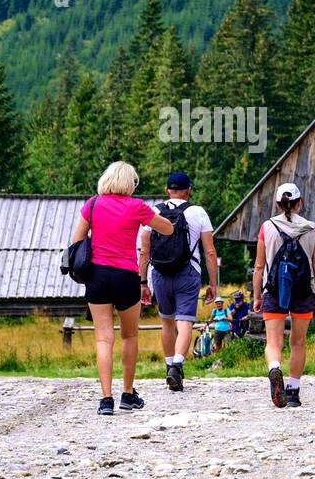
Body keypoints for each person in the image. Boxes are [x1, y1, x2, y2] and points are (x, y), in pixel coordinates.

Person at [69, 160, 174, 416]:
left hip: (97, 275)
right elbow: (168, 229)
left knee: (103, 338)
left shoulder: (92, 204)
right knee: (129, 335)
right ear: (130, 183)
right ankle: (128, 394)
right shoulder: (137, 207)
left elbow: (76, 240)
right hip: (127, 276)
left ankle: (106, 400)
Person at [138, 171, 218, 392]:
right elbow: (210, 252)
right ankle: (177, 365)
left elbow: (144, 252)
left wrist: (143, 282)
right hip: (188, 272)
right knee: (185, 323)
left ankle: (168, 365)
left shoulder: (153, 212)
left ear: (167, 190)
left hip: (160, 273)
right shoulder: (198, 212)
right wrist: (213, 284)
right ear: (188, 190)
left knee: (167, 322)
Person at [252, 183, 315, 408]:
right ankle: (293, 392)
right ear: (299, 202)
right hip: (303, 290)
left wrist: (257, 296)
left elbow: (258, 266)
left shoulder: (267, 227)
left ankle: (275, 368)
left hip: (274, 289)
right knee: (298, 342)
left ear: (277, 203)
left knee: (274, 341)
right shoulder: (311, 228)